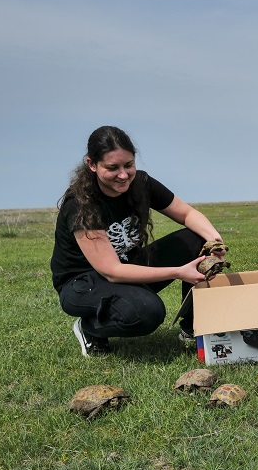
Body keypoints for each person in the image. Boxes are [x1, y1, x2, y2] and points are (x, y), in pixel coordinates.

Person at [50, 126, 227, 356]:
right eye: (112, 168)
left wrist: (214, 241)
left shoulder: (141, 183)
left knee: (196, 239)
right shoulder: (81, 205)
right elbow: (112, 271)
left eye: (128, 165)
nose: (123, 175)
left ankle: (191, 327)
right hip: (83, 283)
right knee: (148, 312)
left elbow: (186, 215)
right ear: (92, 165)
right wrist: (178, 272)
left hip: (128, 265)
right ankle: (90, 328)